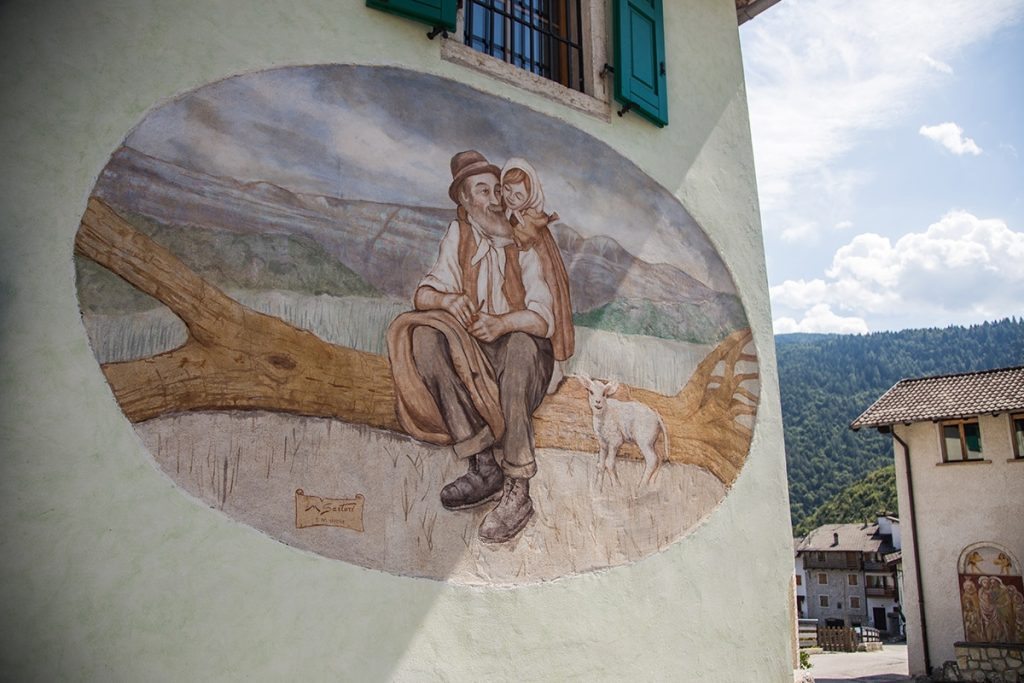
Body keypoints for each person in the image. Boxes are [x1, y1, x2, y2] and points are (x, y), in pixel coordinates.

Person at [387, 150, 573, 544]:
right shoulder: (460, 236)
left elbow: (543, 319)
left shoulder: (524, 237)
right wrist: (446, 301)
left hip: (523, 359)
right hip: (476, 357)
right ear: (466, 201)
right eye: (482, 191)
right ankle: (482, 463)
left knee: (522, 344)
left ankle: (518, 486)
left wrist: (503, 323)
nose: (493, 199)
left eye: (496, 190)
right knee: (424, 335)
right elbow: (424, 293)